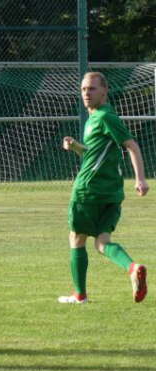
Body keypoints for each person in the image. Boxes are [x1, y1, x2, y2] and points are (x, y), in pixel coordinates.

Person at [58, 71, 149, 305]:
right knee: (102, 242)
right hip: (111, 192)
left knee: (76, 238)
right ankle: (132, 267)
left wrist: (140, 179)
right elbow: (94, 153)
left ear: (105, 91)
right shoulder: (96, 117)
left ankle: (80, 295)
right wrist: (76, 147)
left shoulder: (105, 116)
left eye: (92, 89)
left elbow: (131, 145)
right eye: (83, 89)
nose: (86, 93)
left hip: (89, 190)